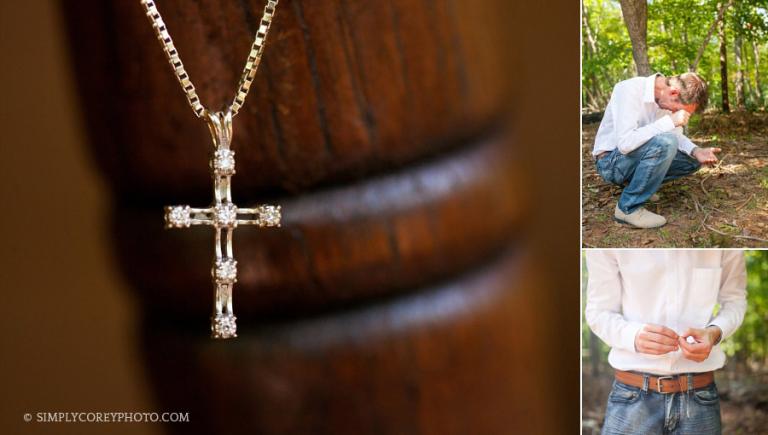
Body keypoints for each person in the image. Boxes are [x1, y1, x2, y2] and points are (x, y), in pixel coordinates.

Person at [585, 250, 747, 435]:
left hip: (700, 398)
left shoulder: (725, 246)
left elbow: (735, 300)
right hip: (631, 398)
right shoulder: (606, 249)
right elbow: (599, 311)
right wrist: (633, 336)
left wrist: (715, 331)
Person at [592, 72, 721, 228]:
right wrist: (668, 122)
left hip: (635, 157)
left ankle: (637, 185)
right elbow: (625, 144)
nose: (675, 113)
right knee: (666, 143)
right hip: (610, 162)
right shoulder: (629, 89)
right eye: (677, 110)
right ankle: (627, 209)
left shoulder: (664, 100)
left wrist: (696, 150)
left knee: (691, 160)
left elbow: (676, 137)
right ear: (673, 92)